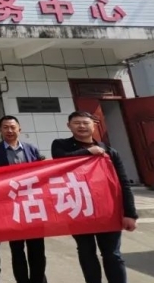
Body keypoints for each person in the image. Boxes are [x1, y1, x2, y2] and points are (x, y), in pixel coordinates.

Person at [51, 111, 137, 283]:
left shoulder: (110, 151)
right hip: (78, 209)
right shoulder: (61, 145)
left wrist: (130, 213)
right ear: (69, 126)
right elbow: (60, 160)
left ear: (94, 125)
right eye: (77, 123)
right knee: (86, 252)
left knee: (112, 254)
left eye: (86, 123)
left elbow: (123, 183)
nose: (82, 126)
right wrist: (88, 152)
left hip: (108, 210)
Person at [0, 116, 46, 283]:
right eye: (5, 127)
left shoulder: (31, 149)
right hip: (10, 206)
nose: (10, 130)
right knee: (17, 249)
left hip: (33, 205)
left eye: (13, 127)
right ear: (0, 130)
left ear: (20, 129)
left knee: (37, 248)